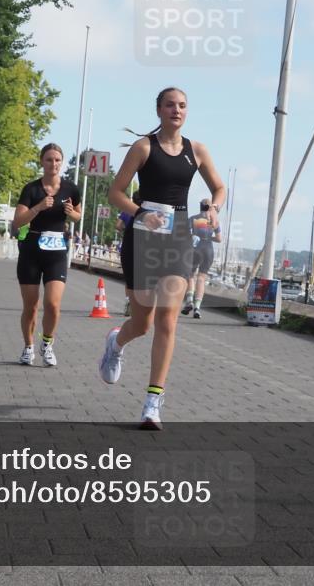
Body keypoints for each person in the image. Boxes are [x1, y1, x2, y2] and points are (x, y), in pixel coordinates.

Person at [98, 87, 224, 430]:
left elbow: (219, 188)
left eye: (182, 105)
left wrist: (213, 208)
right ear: (158, 110)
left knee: (168, 319)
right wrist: (140, 213)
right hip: (143, 240)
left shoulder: (196, 150)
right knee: (143, 324)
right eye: (170, 104)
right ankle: (116, 341)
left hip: (179, 239)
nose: (176, 110)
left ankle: (153, 401)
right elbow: (115, 192)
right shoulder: (144, 148)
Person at [13, 143, 82, 367]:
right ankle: (28, 346)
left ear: (62, 163)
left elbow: (78, 216)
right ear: (42, 162)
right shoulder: (31, 189)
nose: (54, 164)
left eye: (57, 160)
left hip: (57, 251)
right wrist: (38, 207)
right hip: (32, 249)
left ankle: (47, 343)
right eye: (49, 160)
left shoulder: (71, 188)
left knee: (52, 304)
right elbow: (18, 221)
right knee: (31, 306)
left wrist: (72, 214)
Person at [181, 197, 222, 318]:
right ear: (210, 208)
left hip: (196, 249)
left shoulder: (193, 219)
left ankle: (189, 301)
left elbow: (186, 235)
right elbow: (219, 239)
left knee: (191, 276)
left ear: (200, 206)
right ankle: (197, 308)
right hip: (208, 250)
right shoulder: (214, 221)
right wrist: (210, 238)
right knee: (202, 279)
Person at [115, 192, 142, 316]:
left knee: (129, 278)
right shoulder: (145, 212)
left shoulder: (127, 211)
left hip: (128, 244)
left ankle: (128, 302)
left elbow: (118, 225)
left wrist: (125, 230)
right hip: (142, 247)